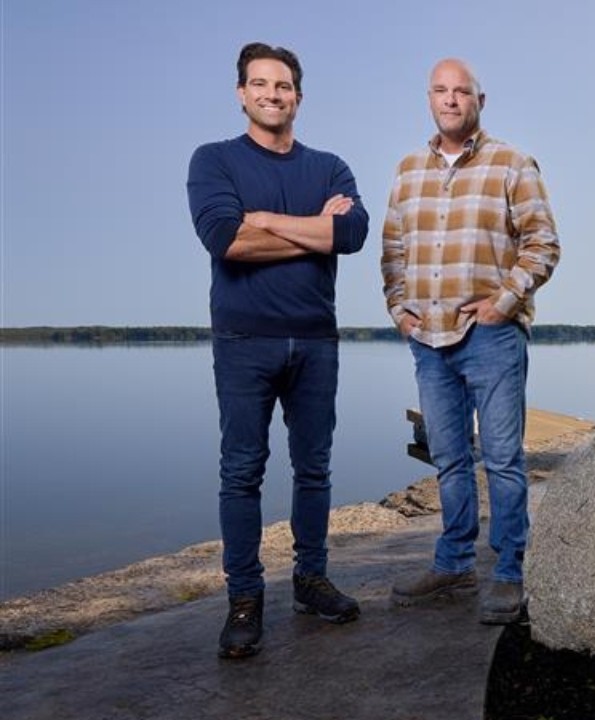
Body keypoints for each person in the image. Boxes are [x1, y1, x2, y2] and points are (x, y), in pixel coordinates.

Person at [186, 41, 369, 658]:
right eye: (260, 84)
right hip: (244, 340)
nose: (272, 94)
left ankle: (310, 581)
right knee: (242, 473)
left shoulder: (329, 166)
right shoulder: (213, 161)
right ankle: (245, 600)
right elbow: (225, 240)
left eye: (283, 85)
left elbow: (352, 232)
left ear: (298, 95)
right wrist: (311, 232)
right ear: (242, 93)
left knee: (313, 469)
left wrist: (264, 218)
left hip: (316, 339)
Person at [381, 58, 560, 624]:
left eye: (462, 91)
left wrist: (502, 303)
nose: (451, 99)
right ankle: (454, 565)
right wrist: (398, 311)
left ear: (481, 99)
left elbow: (543, 244)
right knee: (451, 460)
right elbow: (393, 251)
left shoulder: (512, 163)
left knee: (504, 460)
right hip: (427, 340)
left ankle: (510, 572)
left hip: (490, 338)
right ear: (429, 98)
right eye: (441, 90)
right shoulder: (408, 169)